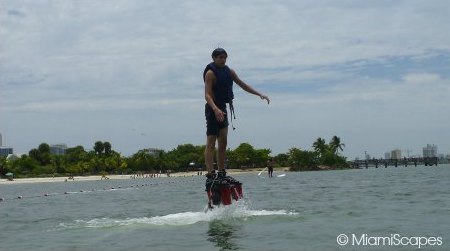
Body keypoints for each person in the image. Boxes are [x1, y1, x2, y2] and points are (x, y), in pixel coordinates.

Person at [203, 48, 270, 177]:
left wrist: (259, 94)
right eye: (220, 57)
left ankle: (221, 171)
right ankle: (211, 173)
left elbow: (243, 85)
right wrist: (215, 110)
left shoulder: (230, 72)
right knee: (211, 142)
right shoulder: (210, 73)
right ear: (214, 58)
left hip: (223, 108)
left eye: (225, 57)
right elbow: (207, 95)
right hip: (212, 109)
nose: (223, 60)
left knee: (223, 142)